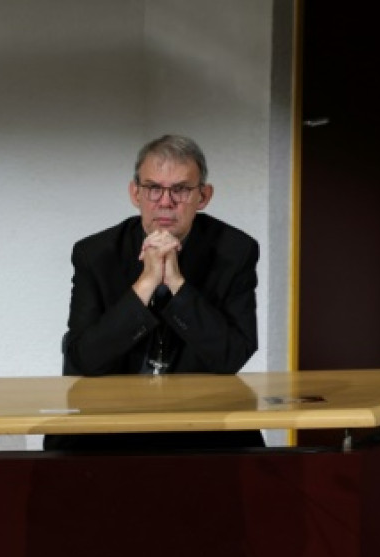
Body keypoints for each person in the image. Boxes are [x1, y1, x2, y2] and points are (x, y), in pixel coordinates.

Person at [47, 134, 263, 450]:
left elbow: (230, 356)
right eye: (153, 188)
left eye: (180, 190)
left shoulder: (235, 252)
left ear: (203, 196)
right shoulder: (95, 253)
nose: (165, 202)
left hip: (201, 425)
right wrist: (145, 284)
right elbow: (86, 358)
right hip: (109, 423)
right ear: (135, 193)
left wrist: (177, 284)